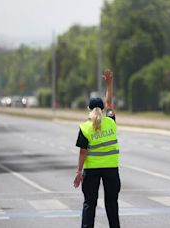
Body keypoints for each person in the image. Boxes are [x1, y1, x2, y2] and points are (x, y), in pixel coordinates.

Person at [74, 69, 120, 228]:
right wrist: (109, 83)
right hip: (111, 169)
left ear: (89, 109)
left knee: (89, 203)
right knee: (112, 204)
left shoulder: (85, 127)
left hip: (92, 170)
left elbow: (83, 152)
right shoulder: (111, 121)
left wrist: (78, 172)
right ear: (103, 109)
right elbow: (110, 103)